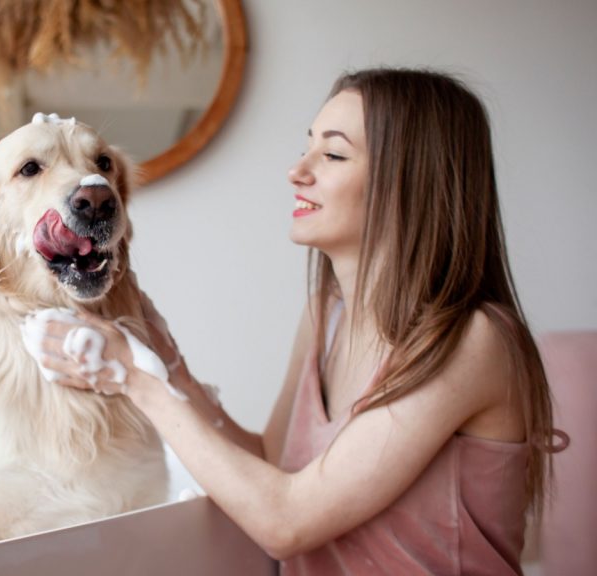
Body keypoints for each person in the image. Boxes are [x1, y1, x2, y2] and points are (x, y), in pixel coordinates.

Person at [36, 68, 565, 574]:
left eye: (333, 153)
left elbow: (286, 521)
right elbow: (271, 462)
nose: (298, 171)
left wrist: (135, 378)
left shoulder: (474, 341)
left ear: (411, 179)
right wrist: (167, 362)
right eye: (307, 146)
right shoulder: (325, 315)